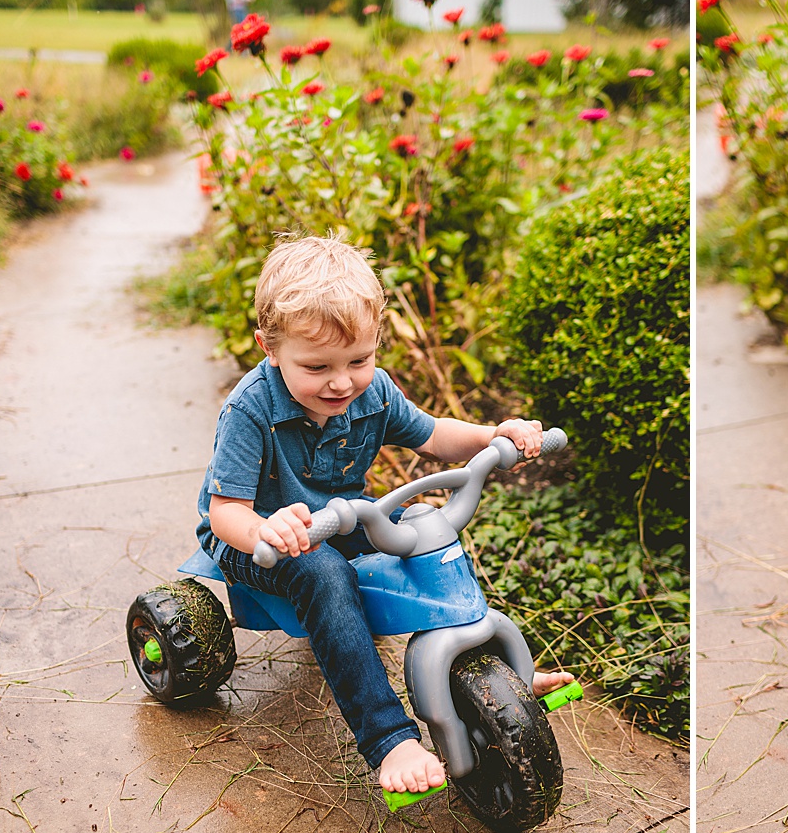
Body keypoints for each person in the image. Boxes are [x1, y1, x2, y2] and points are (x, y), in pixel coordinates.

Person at [196, 236, 574, 799]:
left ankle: (500, 677)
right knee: (324, 575)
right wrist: (264, 530)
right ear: (269, 349)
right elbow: (224, 512)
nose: (342, 382)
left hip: (345, 519)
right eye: (317, 366)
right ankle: (389, 737)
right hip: (263, 539)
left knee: (424, 526)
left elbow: (435, 435)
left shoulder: (371, 393)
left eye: (360, 360)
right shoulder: (251, 410)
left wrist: (492, 435)